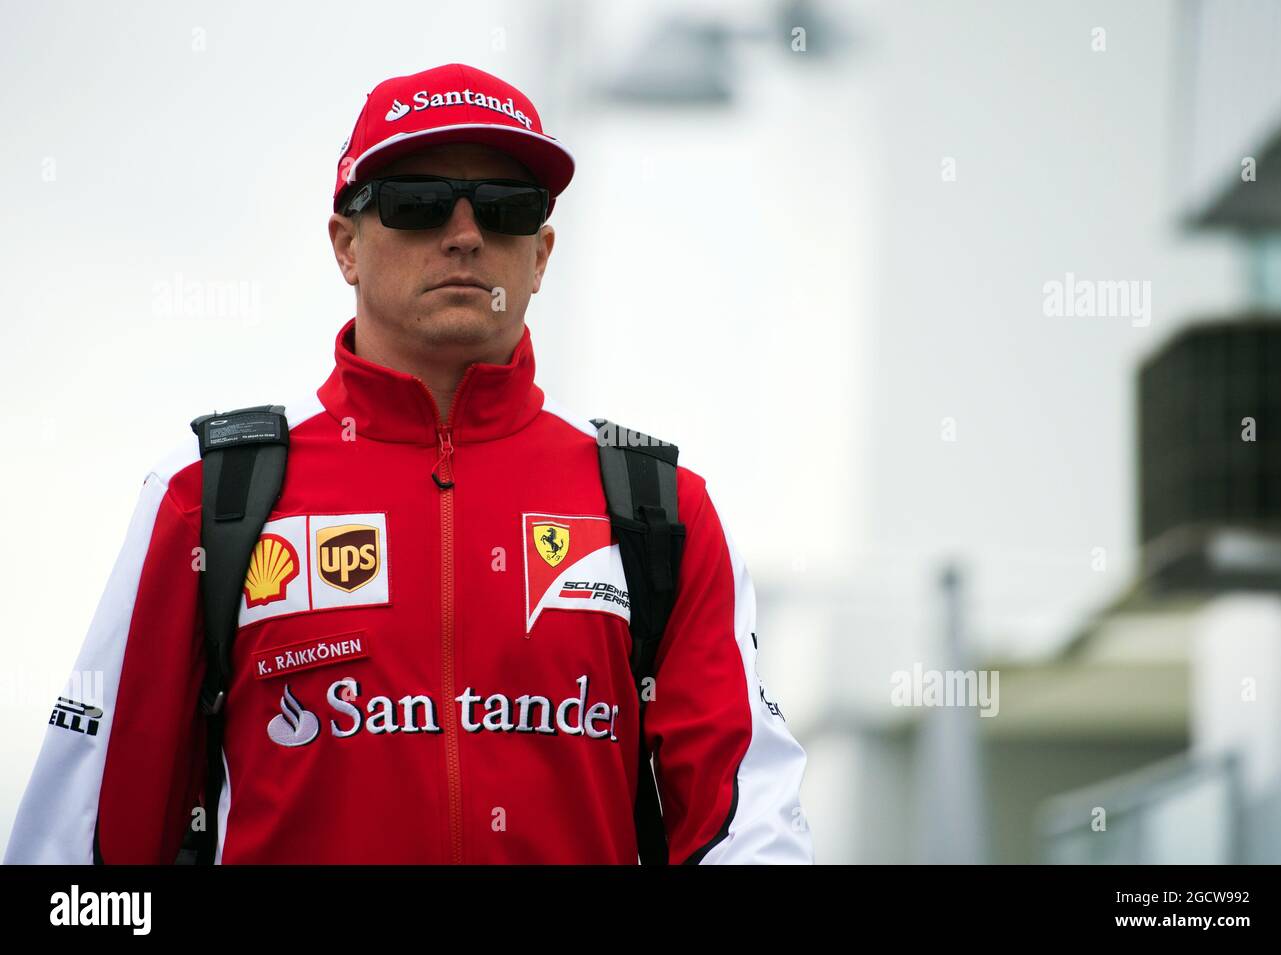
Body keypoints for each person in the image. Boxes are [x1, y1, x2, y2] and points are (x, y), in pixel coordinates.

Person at [3, 63, 814, 864]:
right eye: (418, 202)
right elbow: (84, 844)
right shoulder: (209, 493)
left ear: (540, 254)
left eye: (505, 209)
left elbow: (750, 828)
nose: (465, 234)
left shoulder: (656, 505)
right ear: (345, 244)